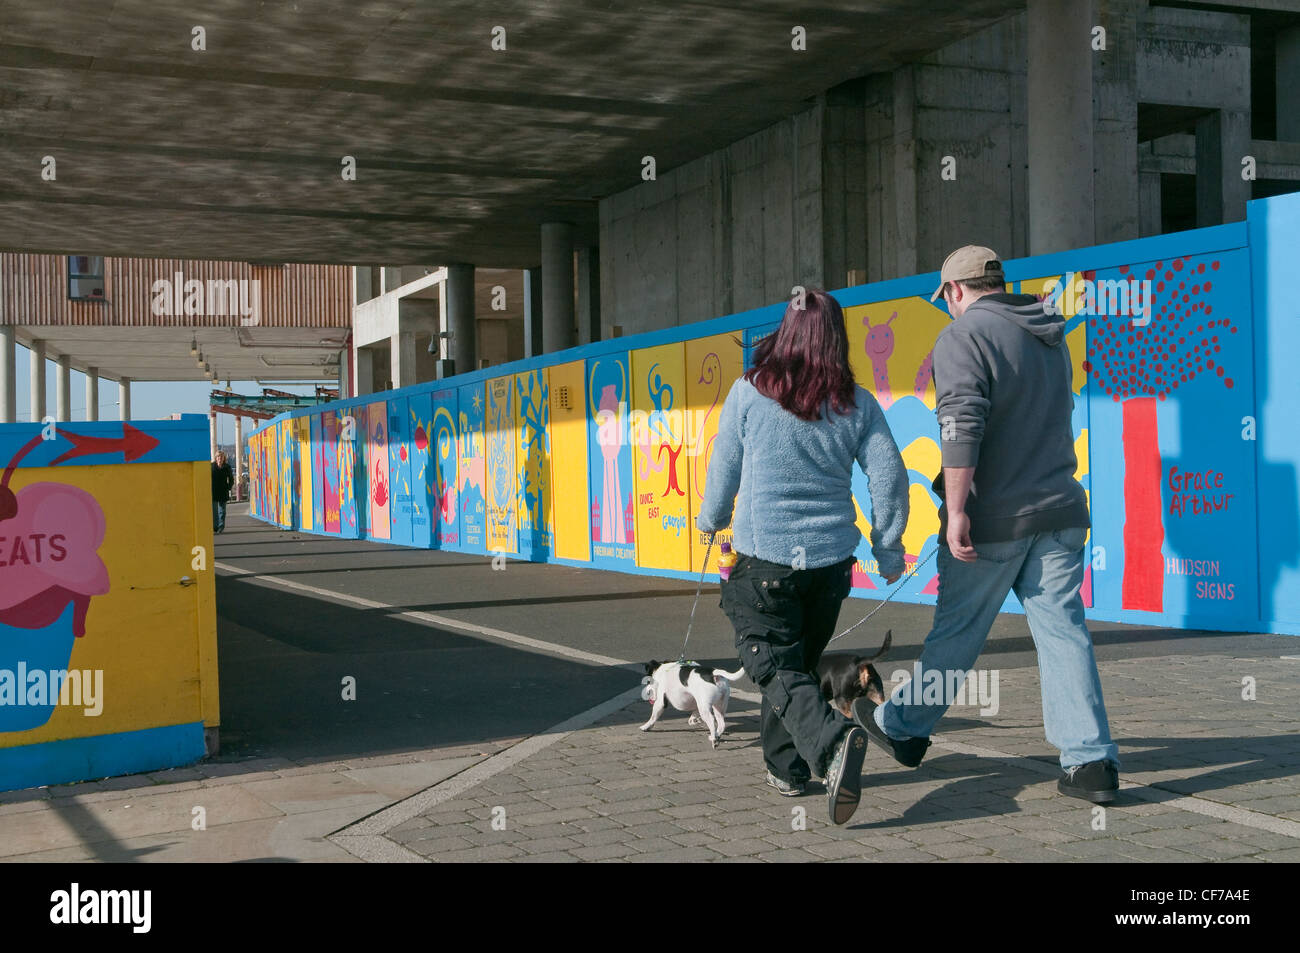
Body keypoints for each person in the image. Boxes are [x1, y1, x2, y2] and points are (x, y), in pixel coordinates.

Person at [854, 245, 1121, 804]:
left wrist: (956, 511)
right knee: (1063, 632)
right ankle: (1090, 762)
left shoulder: (962, 337)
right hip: (1060, 510)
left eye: (945, 297)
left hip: (993, 519)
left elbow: (960, 427)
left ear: (954, 290)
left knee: (958, 634)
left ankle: (903, 730)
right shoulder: (1050, 334)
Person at [697, 289, 910, 825]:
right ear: (836, 339)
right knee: (793, 669)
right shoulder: (857, 402)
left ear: (784, 333)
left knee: (771, 665)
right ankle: (786, 769)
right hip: (830, 566)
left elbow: (724, 464)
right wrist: (887, 547)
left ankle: (834, 745)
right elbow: (889, 475)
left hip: (764, 561)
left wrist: (711, 519)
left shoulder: (749, 391)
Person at [212, 451, 234, 534]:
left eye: (221, 457)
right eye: (218, 457)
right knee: (214, 511)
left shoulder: (227, 467)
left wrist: (228, 487)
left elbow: (231, 479)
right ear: (216, 458)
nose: (220, 458)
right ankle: (215, 526)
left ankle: (221, 527)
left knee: (222, 511)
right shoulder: (212, 466)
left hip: (223, 491)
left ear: (224, 458)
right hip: (213, 491)